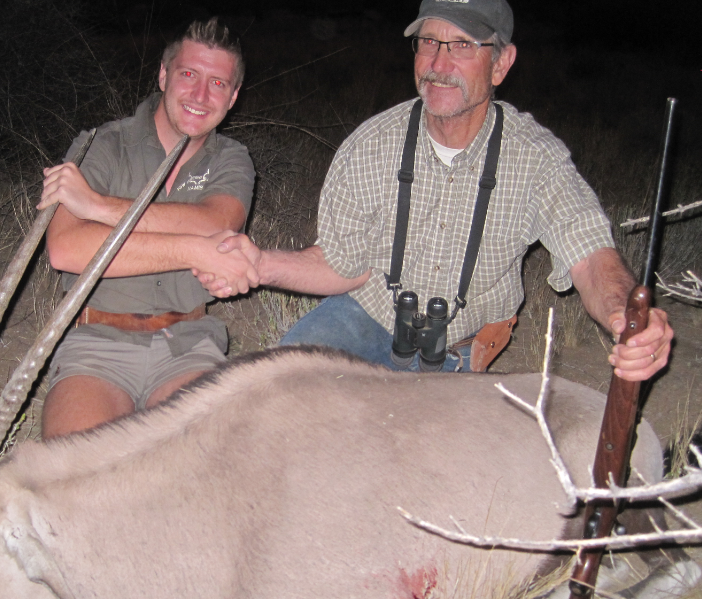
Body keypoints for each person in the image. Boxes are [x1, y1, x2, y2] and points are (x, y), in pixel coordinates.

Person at [201, 0, 671, 380]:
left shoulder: (537, 157)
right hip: (367, 315)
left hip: (465, 339)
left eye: (463, 45)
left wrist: (625, 317)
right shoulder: (369, 145)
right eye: (430, 41)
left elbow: (590, 256)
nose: (439, 64)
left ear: (501, 63)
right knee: (277, 386)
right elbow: (339, 266)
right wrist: (258, 263)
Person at [37, 18, 258, 439]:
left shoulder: (233, 158)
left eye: (217, 83)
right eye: (188, 74)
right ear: (163, 75)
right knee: (81, 477)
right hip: (96, 343)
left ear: (232, 97)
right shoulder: (100, 144)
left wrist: (99, 207)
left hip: (188, 344)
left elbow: (216, 223)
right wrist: (195, 250)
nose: (199, 95)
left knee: (200, 464)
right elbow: (65, 250)